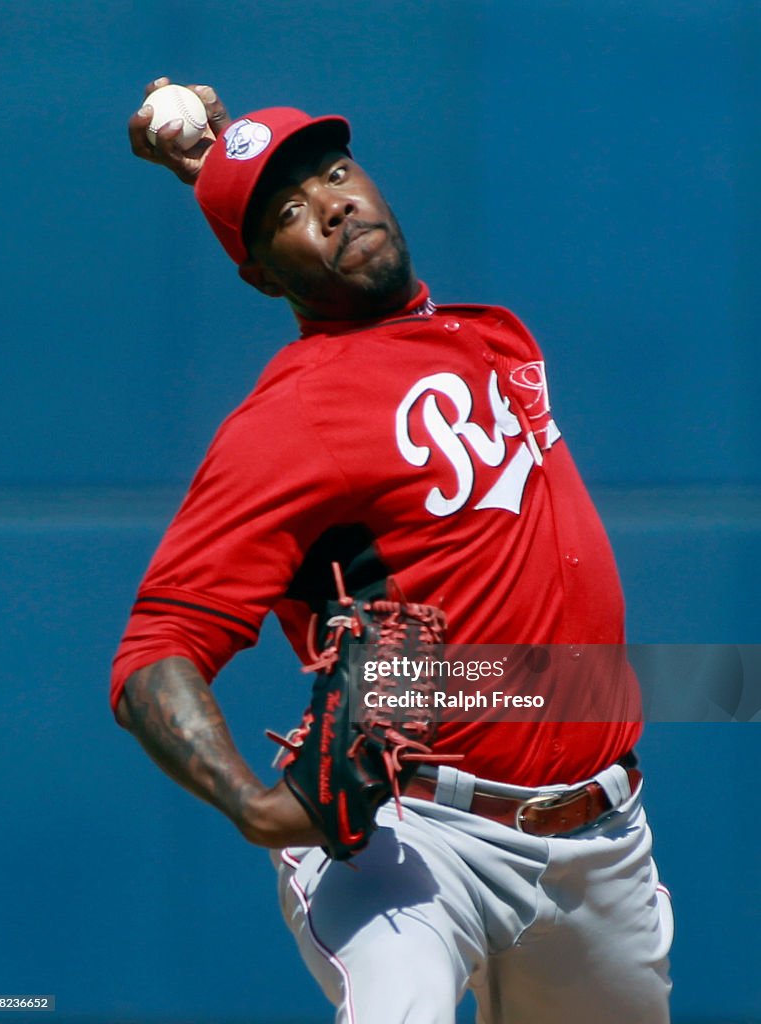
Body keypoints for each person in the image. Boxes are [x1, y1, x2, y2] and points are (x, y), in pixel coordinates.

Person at [112, 77, 674, 1023]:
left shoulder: (490, 336)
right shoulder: (290, 419)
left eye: (335, 174)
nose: (332, 205)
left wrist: (226, 168)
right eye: (291, 212)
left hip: (602, 842)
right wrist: (255, 808)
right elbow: (154, 648)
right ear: (259, 274)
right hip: (414, 836)